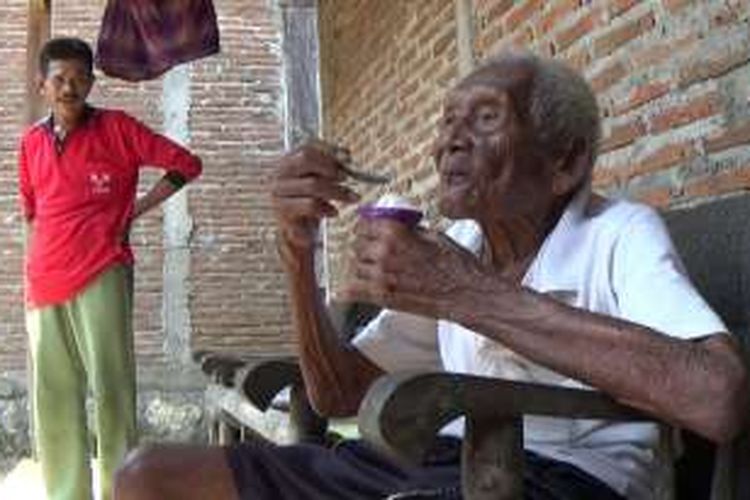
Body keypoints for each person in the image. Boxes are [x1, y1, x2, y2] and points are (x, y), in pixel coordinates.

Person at [113, 52, 748, 500]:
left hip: (565, 479)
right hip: (434, 464)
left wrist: (465, 292)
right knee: (148, 477)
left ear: (566, 160)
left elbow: (716, 399)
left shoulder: (620, 232)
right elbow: (338, 395)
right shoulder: (462, 246)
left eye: (487, 118)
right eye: (447, 122)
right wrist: (296, 254)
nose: (450, 142)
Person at [18, 37, 203, 500]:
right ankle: (66, 492)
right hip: (43, 282)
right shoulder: (30, 144)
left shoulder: (117, 129)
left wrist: (135, 210)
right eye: (59, 78)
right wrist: (30, 274)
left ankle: (122, 490)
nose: (69, 87)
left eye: (79, 78)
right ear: (43, 85)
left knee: (112, 387)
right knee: (54, 396)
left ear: (91, 83)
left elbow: (185, 164)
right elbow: (32, 211)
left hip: (102, 269)